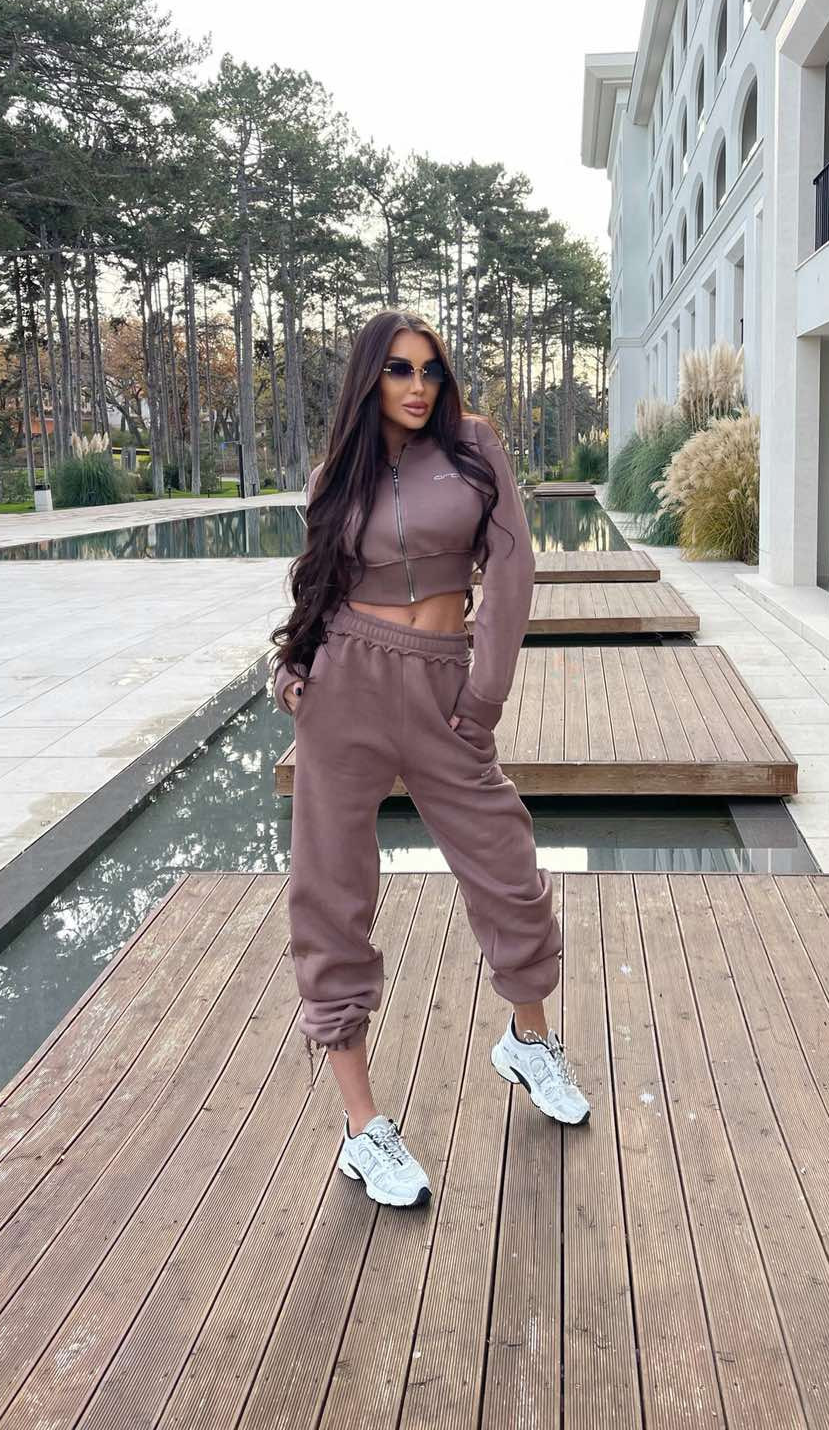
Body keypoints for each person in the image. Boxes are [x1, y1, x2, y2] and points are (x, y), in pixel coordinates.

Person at [270, 309, 589, 1209]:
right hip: (345, 687)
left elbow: (512, 570)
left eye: (432, 370)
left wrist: (484, 695)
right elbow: (318, 581)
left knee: (507, 866)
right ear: (370, 379)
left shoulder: (474, 450)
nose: (419, 387)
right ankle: (362, 1128)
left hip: (444, 688)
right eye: (401, 371)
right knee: (331, 895)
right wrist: (293, 665)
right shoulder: (336, 475)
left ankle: (529, 1043)